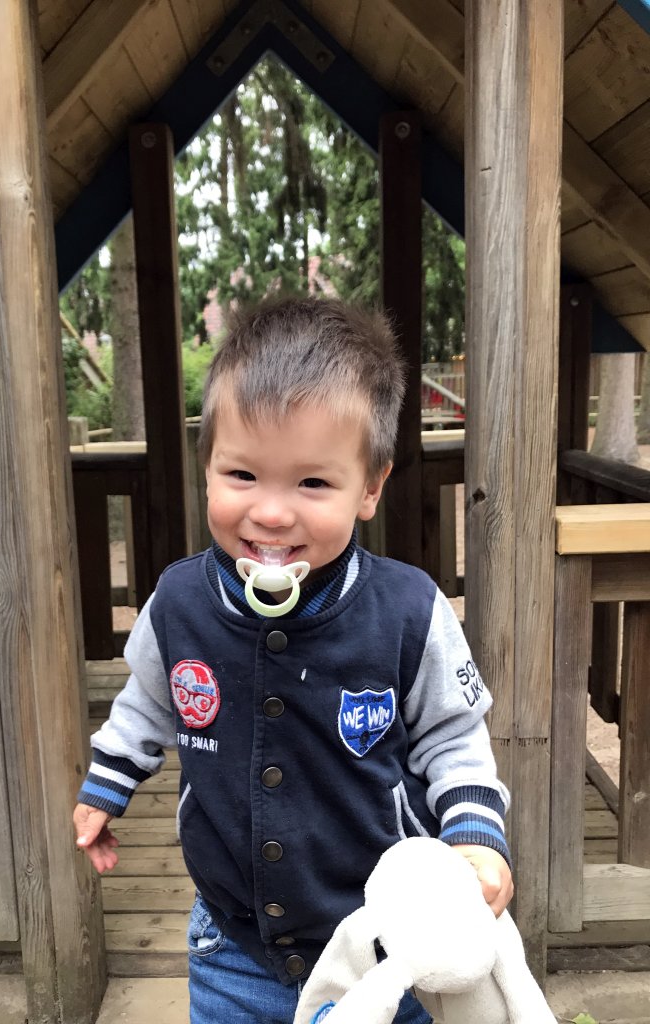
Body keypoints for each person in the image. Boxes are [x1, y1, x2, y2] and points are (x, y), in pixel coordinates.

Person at [72, 297, 513, 1024]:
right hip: (231, 945)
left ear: (369, 487)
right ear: (207, 468)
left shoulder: (408, 612)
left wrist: (475, 838)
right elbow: (148, 701)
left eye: (312, 483)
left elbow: (454, 737)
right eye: (242, 475)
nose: (272, 513)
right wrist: (105, 785)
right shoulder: (179, 603)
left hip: (383, 945)